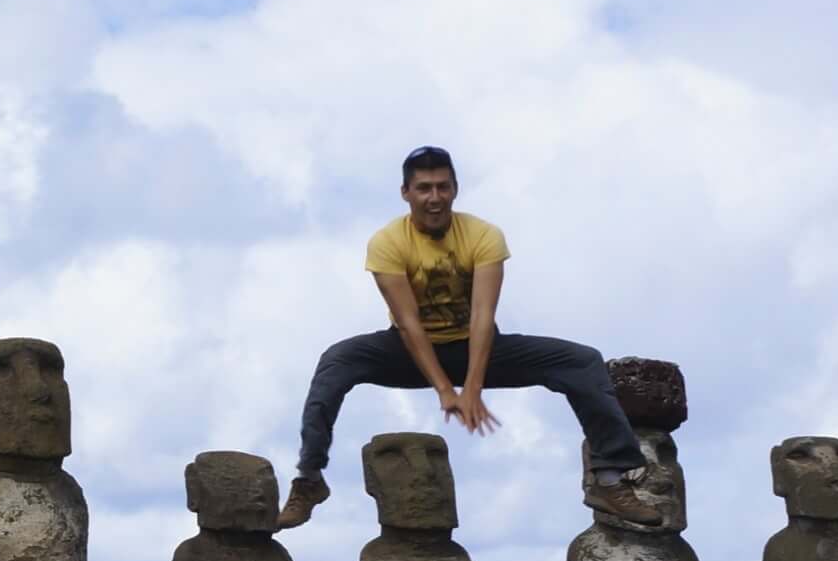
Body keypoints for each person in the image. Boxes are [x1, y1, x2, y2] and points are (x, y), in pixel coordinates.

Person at [278, 145, 663, 530]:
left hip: (476, 346)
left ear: (455, 189)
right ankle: (309, 480)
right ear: (406, 193)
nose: (434, 198)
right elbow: (410, 324)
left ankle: (610, 479)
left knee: (581, 361)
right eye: (424, 188)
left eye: (443, 188)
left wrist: (473, 387)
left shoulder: (483, 236)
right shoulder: (388, 243)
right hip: (408, 350)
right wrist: (446, 390)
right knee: (337, 360)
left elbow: (483, 316)